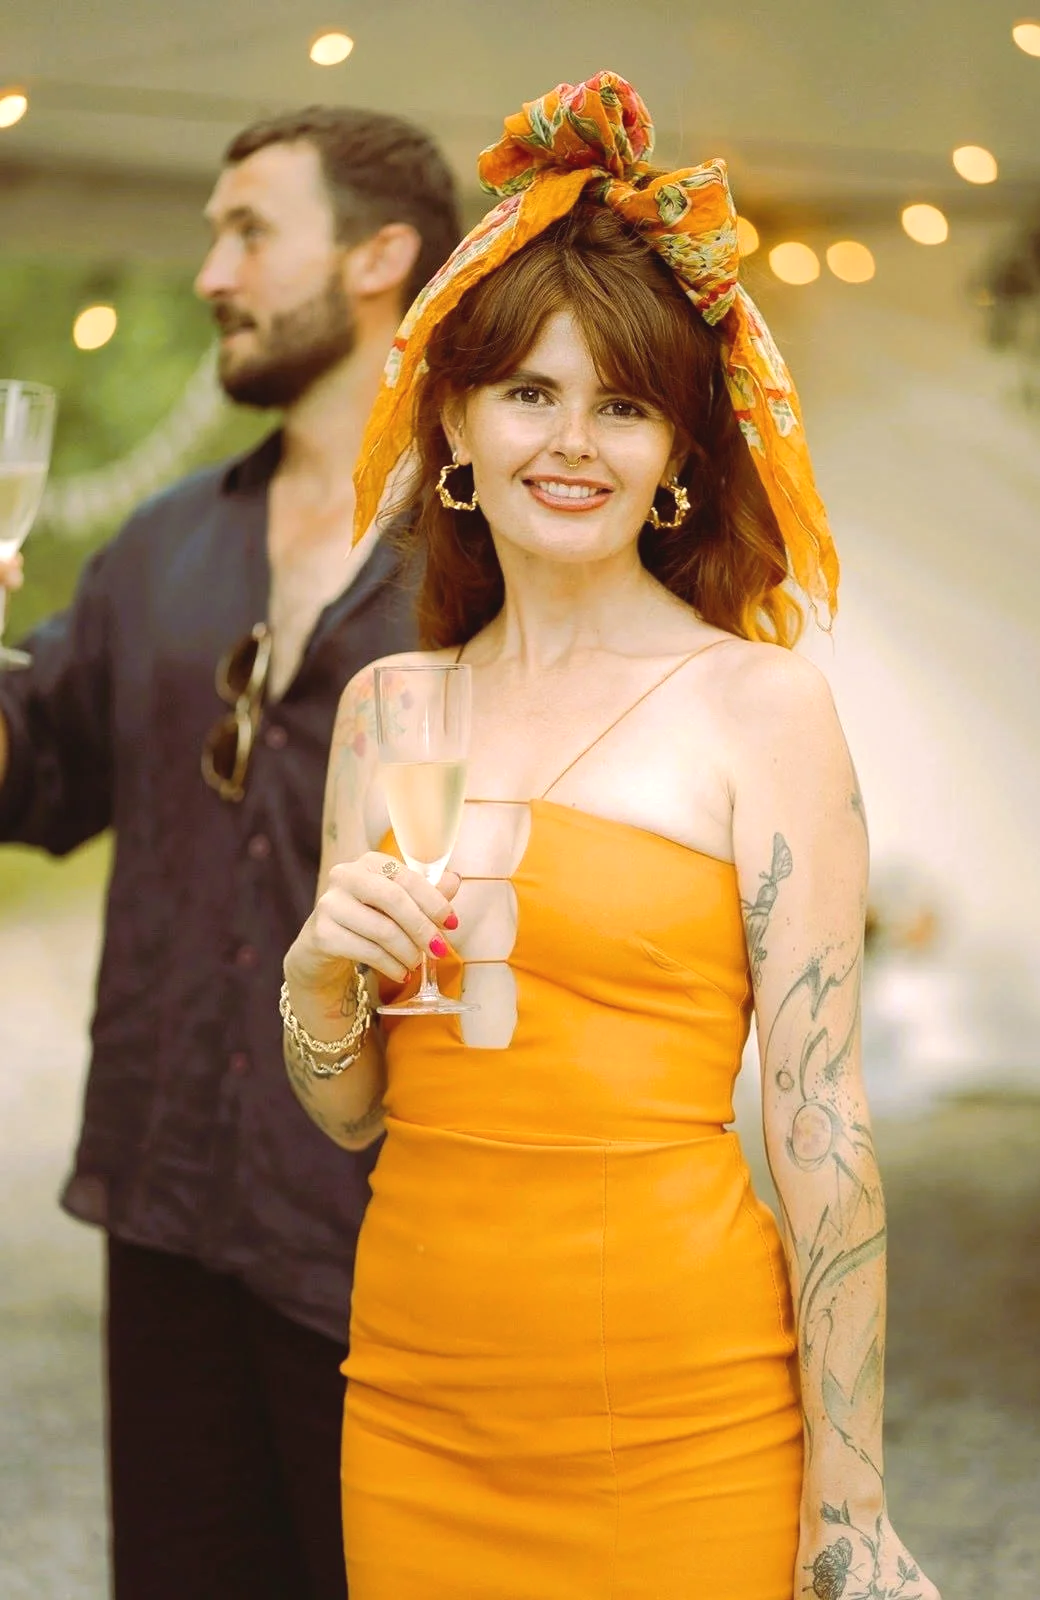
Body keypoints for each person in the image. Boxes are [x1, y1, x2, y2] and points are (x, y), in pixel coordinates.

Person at [282, 73, 940, 1600]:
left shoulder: (757, 710)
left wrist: (848, 1504)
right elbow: (358, 1112)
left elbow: (821, 1123)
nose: (570, 443)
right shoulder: (389, 710)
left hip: (680, 1412)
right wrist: (315, 983)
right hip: (413, 1405)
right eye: (530, 393)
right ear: (455, 419)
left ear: (677, 456)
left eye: (623, 406)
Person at [0, 107, 459, 1600]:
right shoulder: (160, 545)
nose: (210, 273)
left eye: (249, 232)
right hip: (169, 1212)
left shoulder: (492, 556)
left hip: (397, 1235)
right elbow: (34, 770)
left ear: (380, 256)